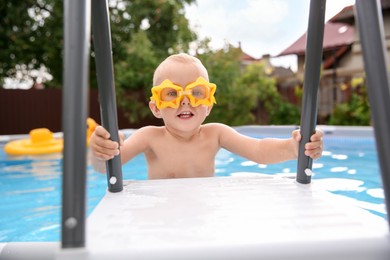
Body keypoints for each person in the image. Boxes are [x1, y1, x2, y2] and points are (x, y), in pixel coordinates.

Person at [90, 53, 323, 179]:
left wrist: (294, 148)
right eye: (172, 93)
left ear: (209, 104)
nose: (185, 100)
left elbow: (259, 150)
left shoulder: (216, 134)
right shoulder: (149, 137)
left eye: (196, 92)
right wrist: (103, 153)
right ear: (156, 108)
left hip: (204, 212)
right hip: (161, 216)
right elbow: (106, 169)